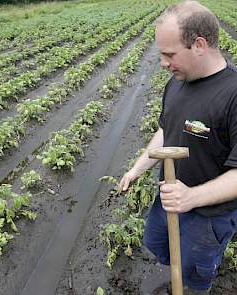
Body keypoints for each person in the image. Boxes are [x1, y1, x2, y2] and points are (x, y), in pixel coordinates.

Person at [118, 1, 237, 294]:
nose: (163, 62)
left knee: (195, 273)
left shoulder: (232, 95)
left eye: (169, 54)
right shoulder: (177, 82)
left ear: (199, 44)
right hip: (171, 198)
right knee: (157, 243)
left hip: (208, 216)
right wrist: (137, 169)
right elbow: (166, 130)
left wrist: (192, 197)